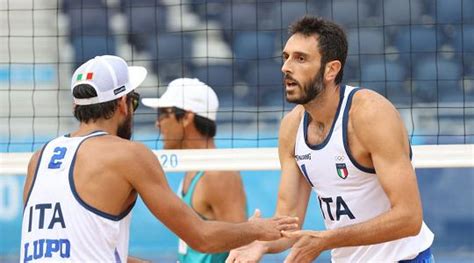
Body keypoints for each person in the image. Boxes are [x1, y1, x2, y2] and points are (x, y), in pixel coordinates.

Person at [19, 55, 299, 262]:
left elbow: (77, 248)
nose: (156, 123)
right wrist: (257, 230)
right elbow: (200, 236)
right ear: (122, 105)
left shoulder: (38, 157)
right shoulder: (129, 154)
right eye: (135, 101)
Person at [227, 16, 434, 263]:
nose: (286, 67)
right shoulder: (291, 128)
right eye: (286, 57)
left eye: (300, 58)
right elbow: (289, 221)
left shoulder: (370, 114)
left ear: (331, 69)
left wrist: (326, 240)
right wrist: (260, 241)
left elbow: (409, 217)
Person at [142, 78, 248, 263]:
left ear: (186, 117)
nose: (158, 123)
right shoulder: (193, 167)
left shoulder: (218, 173)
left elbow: (242, 248)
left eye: (162, 114)